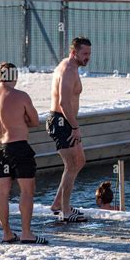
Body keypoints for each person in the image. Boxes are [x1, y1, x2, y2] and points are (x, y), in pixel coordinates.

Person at [0, 62, 48, 244]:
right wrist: (21, 121)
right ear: (15, 76)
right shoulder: (20, 96)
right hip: (18, 146)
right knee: (27, 191)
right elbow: (35, 121)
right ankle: (27, 233)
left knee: (2, 192)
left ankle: (7, 233)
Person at [46, 37, 92, 223]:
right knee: (72, 164)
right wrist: (74, 126)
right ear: (74, 53)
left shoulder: (71, 67)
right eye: (84, 54)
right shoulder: (67, 70)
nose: (88, 57)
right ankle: (65, 211)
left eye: (89, 53)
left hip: (65, 121)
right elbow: (64, 102)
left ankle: (58, 204)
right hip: (62, 121)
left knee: (78, 161)